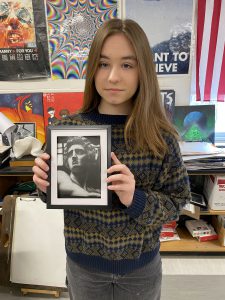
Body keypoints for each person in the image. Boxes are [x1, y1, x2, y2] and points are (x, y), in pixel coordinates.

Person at [33, 18, 191, 300]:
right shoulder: (68, 130)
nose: (113, 77)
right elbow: (54, 195)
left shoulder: (160, 138)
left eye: (127, 65)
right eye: (104, 64)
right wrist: (44, 186)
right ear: (93, 68)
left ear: (143, 70)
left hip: (140, 269)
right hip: (84, 268)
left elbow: (177, 203)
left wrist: (136, 198)